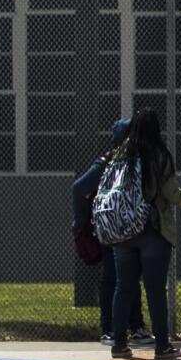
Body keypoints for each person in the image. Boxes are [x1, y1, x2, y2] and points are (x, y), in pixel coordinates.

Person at [110, 108, 181, 360]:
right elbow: (169, 190)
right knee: (155, 289)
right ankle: (162, 345)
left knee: (123, 287)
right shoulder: (159, 154)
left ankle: (119, 344)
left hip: (123, 229)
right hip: (152, 229)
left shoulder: (120, 154)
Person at [71, 118, 152, 345]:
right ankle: (112, 328)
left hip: (122, 227)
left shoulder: (134, 161)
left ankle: (132, 326)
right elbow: (79, 188)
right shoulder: (110, 162)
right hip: (117, 227)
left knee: (127, 277)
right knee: (116, 279)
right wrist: (80, 221)